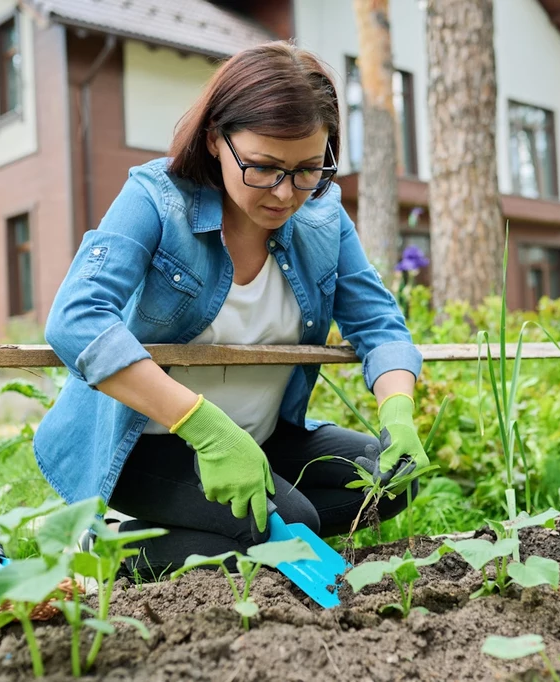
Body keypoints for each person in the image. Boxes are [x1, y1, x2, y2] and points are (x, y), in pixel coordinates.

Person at [34, 41, 427, 576]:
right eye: (264, 167)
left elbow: (378, 323)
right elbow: (77, 318)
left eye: (309, 168)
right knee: (289, 524)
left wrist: (398, 413)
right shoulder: (156, 199)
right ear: (217, 138)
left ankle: (188, 534)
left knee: (386, 480)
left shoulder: (323, 218)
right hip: (146, 443)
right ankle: (101, 553)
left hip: (263, 437)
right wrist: (203, 427)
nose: (286, 193)